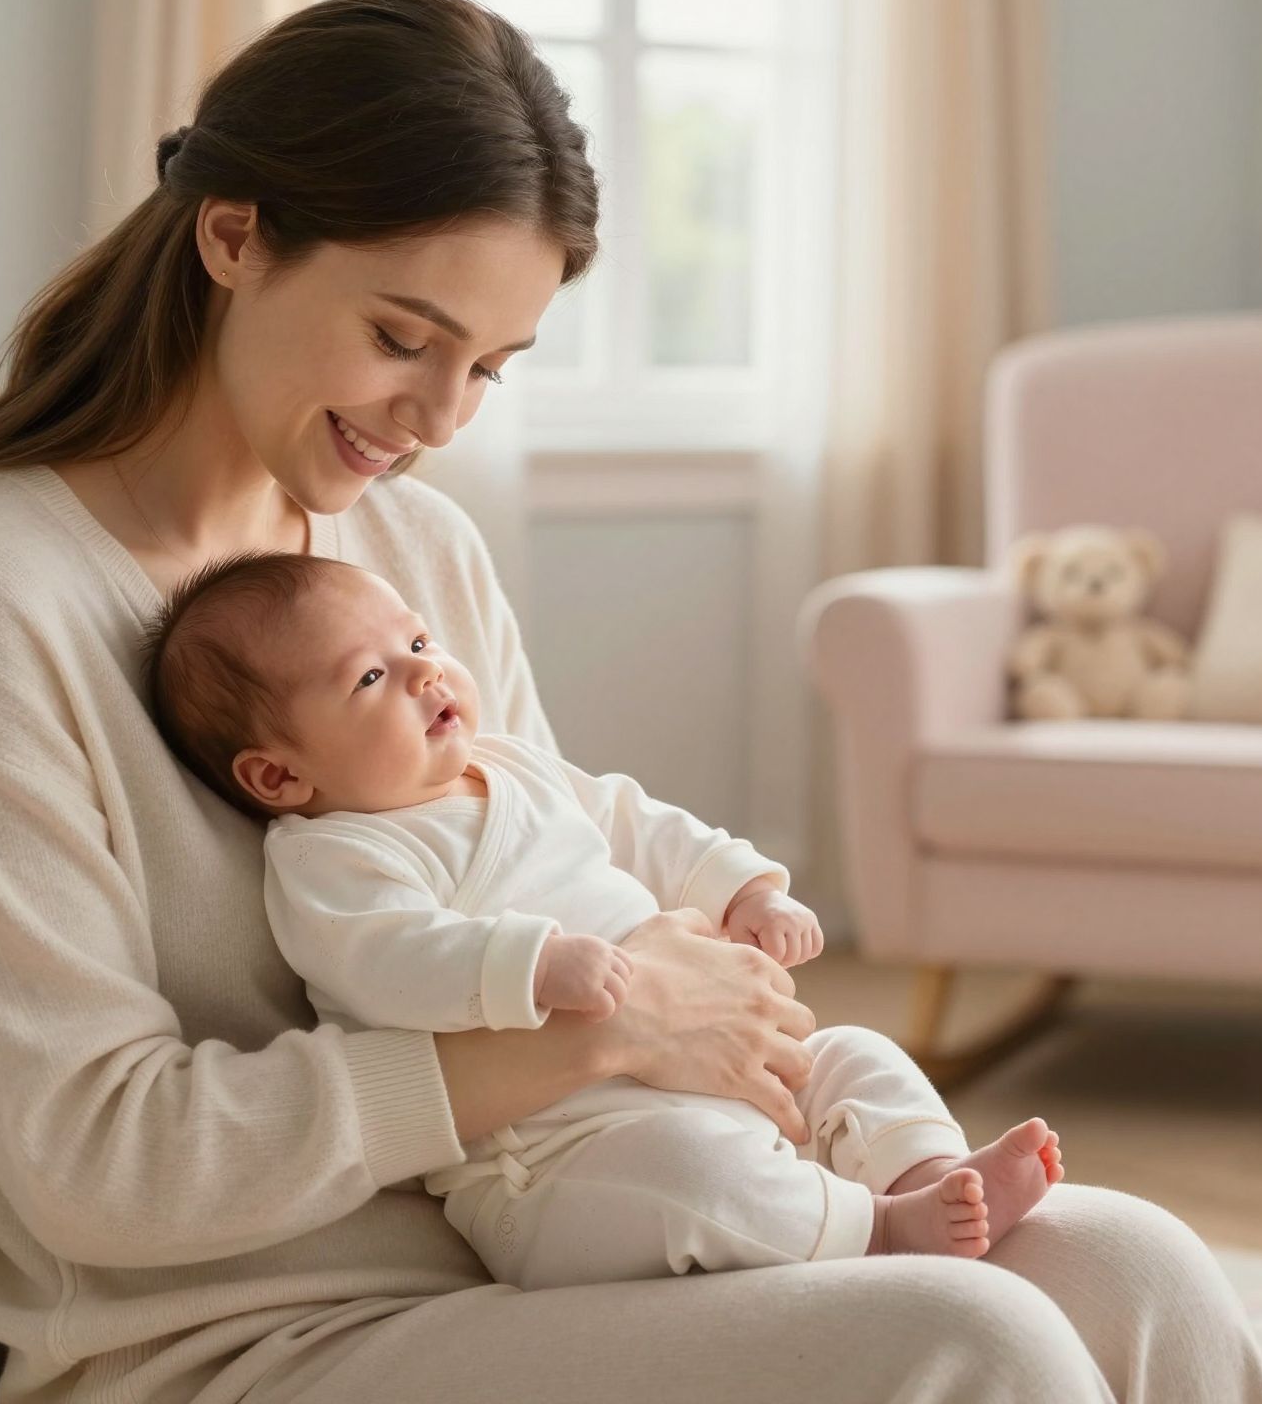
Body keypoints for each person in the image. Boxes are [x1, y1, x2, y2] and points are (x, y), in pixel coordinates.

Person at [0, 0, 1262, 1403]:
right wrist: (593, 1034)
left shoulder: (410, 547)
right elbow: (91, 1158)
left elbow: (557, 875)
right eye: (402, 339)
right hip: (233, 1349)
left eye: (490, 371)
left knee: (1130, 1267)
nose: (439, 418)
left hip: (539, 1257)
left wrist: (719, 1061)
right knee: (973, 1345)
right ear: (235, 236)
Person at [140, 551, 1066, 1289]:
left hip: (718, 1081)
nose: (426, 676)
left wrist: (743, 890)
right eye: (373, 676)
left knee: (855, 1055)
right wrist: (531, 964)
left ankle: (927, 1174)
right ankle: (879, 1233)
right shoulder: (336, 855)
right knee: (691, 1178)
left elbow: (634, 820)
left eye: (419, 642)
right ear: (278, 776)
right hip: (557, 1163)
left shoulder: (510, 766)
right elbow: (385, 958)